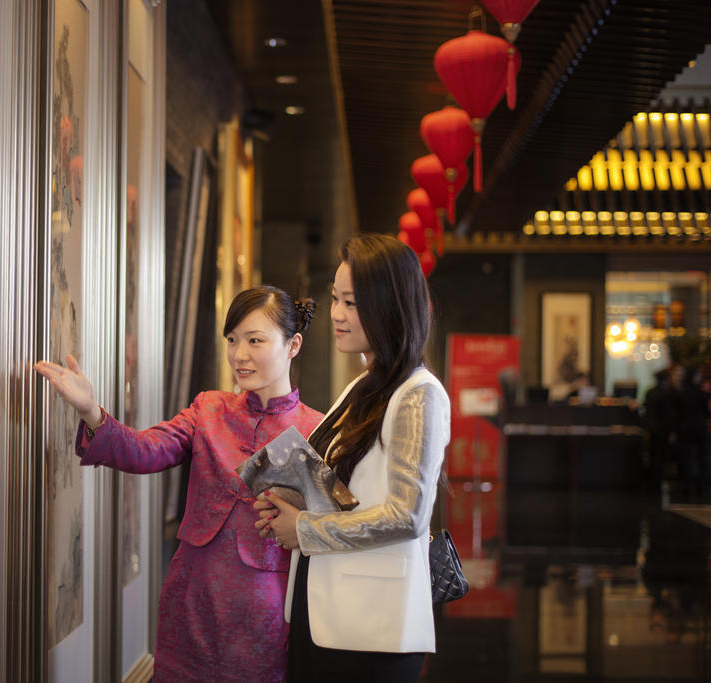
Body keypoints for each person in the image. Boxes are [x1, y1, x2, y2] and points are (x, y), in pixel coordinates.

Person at [34, 285, 322, 682]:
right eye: (233, 340)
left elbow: (329, 528)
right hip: (192, 597)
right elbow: (146, 449)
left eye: (255, 341)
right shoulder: (209, 408)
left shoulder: (317, 430)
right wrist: (91, 411)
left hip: (265, 615)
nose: (239, 354)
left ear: (293, 345)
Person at [255, 234, 451, 683]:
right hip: (327, 612)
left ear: (389, 305)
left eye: (352, 302)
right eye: (335, 299)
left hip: (370, 630)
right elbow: (350, 494)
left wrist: (303, 528)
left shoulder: (419, 395)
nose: (337, 315)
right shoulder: (363, 386)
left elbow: (407, 516)